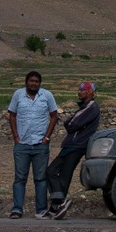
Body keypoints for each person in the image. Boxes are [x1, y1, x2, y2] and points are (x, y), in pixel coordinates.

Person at [44, 81, 101, 220]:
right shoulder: (85, 107)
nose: (79, 92)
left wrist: (68, 122)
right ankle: (55, 207)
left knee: (54, 172)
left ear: (89, 92)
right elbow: (72, 122)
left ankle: (59, 203)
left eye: (82, 90)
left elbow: (71, 124)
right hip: (72, 144)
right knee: (58, 174)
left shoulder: (91, 107)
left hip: (77, 145)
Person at [8, 70, 58, 219]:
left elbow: (54, 115)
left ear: (40, 83)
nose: (34, 83)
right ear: (26, 82)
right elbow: (12, 115)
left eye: (36, 81)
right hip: (22, 143)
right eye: (31, 81)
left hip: (40, 144)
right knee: (20, 178)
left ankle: (41, 210)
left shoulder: (47, 95)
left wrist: (47, 137)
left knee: (40, 178)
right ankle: (17, 209)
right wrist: (16, 136)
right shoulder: (18, 95)